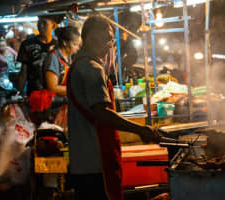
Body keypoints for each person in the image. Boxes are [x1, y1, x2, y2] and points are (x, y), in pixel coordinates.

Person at [67, 15, 160, 200]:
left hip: (83, 160)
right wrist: (139, 129)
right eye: (108, 39)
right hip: (96, 161)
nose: (111, 44)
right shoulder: (92, 68)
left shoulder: (78, 65)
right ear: (93, 37)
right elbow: (102, 113)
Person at [17, 15, 60, 96]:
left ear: (53, 26)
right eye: (39, 23)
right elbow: (23, 71)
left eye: (44, 23)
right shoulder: (27, 44)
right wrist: (18, 93)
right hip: (34, 94)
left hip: (54, 95)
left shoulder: (58, 45)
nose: (40, 26)